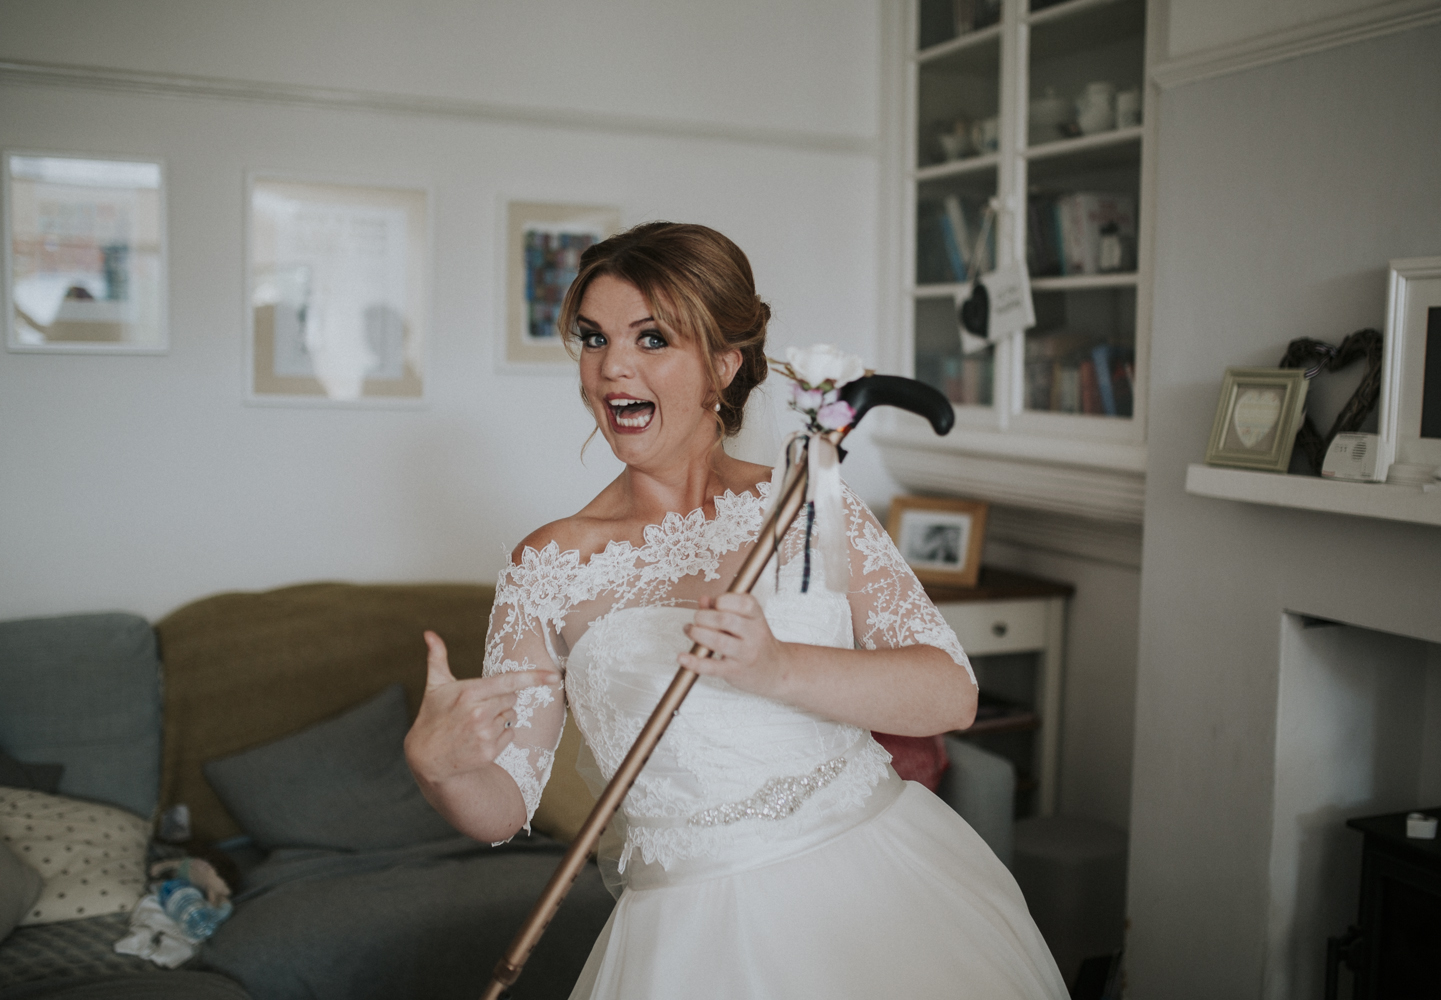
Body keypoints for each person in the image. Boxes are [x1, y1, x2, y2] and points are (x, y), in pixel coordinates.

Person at [404, 222, 1067, 999]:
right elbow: (503, 805)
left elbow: (950, 694)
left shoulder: (808, 501)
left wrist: (778, 666)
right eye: (593, 338)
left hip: (885, 895)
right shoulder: (546, 567)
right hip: (692, 942)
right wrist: (438, 768)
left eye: (651, 338)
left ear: (723, 364)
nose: (610, 366)